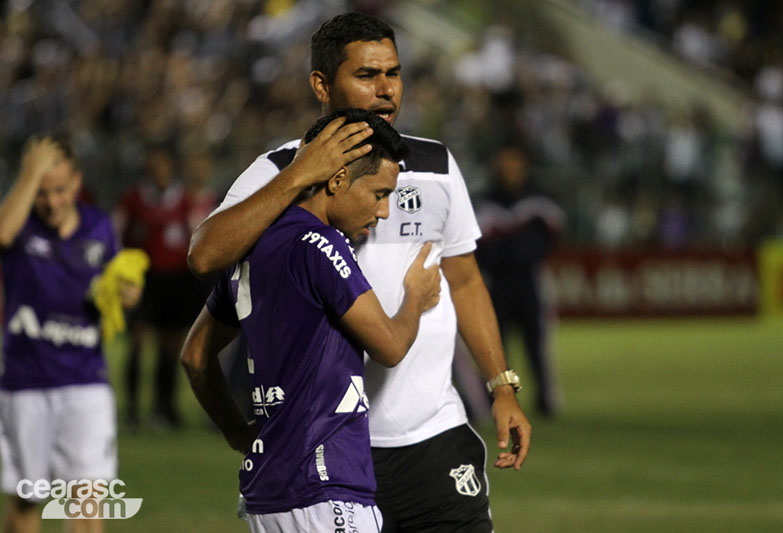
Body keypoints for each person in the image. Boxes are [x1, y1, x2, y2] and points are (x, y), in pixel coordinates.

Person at [188, 13, 531, 531]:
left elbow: (463, 279)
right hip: (329, 449)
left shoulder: (434, 165)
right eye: (367, 76)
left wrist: (501, 386)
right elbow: (205, 256)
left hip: (433, 440)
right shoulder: (279, 171)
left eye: (393, 73)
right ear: (322, 85)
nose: (386, 90)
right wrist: (302, 173)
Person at [181, 108, 441, 532]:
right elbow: (390, 346)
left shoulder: (256, 247)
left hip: (269, 492)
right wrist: (416, 298)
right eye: (378, 194)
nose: (384, 212)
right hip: (324, 486)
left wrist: (234, 431)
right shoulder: (320, 243)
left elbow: (195, 355)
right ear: (337, 180)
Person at [0, 135, 141, 533]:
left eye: (60, 189)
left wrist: (127, 292)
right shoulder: (18, 223)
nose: (52, 201)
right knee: (28, 501)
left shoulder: (99, 226)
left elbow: (118, 284)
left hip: (85, 383)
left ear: (76, 183)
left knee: (86, 506)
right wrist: (30, 173)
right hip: (26, 383)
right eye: (42, 191)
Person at [475, 146, 565, 418]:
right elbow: (474, 243)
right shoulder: (484, 202)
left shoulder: (538, 200)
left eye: (515, 163)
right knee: (494, 346)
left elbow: (554, 234)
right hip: (497, 284)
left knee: (538, 345)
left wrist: (523, 253)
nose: (510, 170)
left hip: (530, 282)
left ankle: (546, 401)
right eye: (505, 164)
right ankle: (494, 400)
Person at [113, 142, 195, 429]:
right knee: (137, 341)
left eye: (162, 163)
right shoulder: (133, 199)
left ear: (171, 166)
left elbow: (196, 236)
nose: (157, 169)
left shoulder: (184, 199)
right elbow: (117, 233)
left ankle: (166, 409)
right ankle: (133, 410)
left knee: (170, 345)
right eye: (153, 163)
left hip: (174, 281)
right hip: (142, 280)